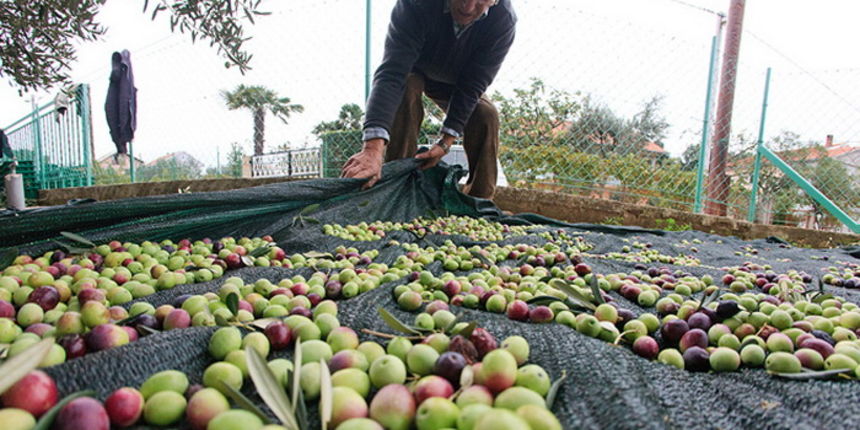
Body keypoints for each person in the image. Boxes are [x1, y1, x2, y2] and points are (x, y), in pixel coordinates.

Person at [341, 0, 516, 199]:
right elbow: (392, 73)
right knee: (405, 87)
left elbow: (473, 84)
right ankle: (395, 190)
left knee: (486, 114)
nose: (467, 7)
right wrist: (372, 149)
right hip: (413, 68)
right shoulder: (416, 3)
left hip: (457, 80)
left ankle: (479, 202)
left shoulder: (503, 20)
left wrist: (445, 142)